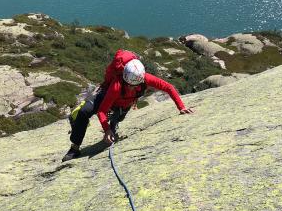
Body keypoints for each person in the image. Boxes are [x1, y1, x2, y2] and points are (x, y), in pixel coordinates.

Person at [62, 55, 194, 162]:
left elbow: (168, 87)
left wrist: (181, 107)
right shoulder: (117, 85)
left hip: (122, 105)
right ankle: (75, 147)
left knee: (117, 117)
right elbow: (101, 110)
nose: (131, 87)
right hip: (105, 96)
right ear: (125, 79)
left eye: (134, 85)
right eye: (129, 84)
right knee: (83, 112)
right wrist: (106, 130)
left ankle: (114, 122)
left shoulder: (145, 78)